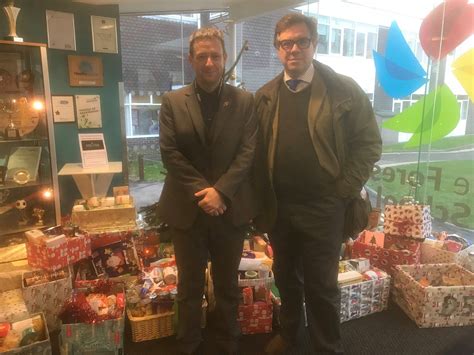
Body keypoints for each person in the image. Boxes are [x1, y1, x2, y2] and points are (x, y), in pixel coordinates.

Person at [254, 13, 382, 354]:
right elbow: (254, 153)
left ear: (314, 44)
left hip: (324, 207)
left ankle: (327, 346)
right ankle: (290, 335)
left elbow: (369, 144)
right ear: (277, 48)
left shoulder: (343, 89)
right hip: (280, 208)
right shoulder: (266, 96)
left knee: (322, 285)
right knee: (285, 279)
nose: (293, 49)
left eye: (301, 41)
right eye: (286, 43)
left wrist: (342, 190)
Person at [158, 27, 258, 355]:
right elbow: (170, 153)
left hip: (229, 210)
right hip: (188, 210)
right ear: (191, 60)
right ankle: (188, 343)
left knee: (228, 285)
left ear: (225, 58)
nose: (210, 62)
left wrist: (222, 193)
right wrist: (206, 193)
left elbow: (247, 152)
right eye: (202, 56)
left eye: (215, 55)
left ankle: (227, 341)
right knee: (189, 285)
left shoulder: (244, 101)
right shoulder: (173, 102)